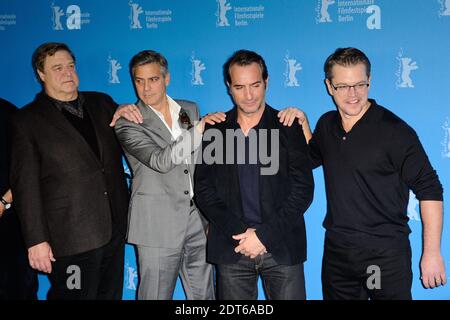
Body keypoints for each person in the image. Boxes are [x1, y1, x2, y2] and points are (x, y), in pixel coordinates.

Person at [279, 47, 446, 299]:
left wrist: (432, 253)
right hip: (338, 254)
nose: (353, 94)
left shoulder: (394, 131)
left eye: (360, 84)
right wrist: (303, 123)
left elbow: (429, 188)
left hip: (381, 256)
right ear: (329, 86)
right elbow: (311, 158)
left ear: (370, 81)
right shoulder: (326, 125)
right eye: (343, 86)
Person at [9, 42, 132, 300]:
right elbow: (25, 186)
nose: (67, 73)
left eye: (70, 66)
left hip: (114, 228)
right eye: (57, 68)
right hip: (69, 239)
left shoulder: (103, 103)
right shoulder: (27, 120)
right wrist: (35, 241)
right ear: (41, 75)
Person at [194, 50, 314, 300]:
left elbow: (303, 190)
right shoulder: (216, 129)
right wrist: (243, 235)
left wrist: (263, 236)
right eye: (239, 87)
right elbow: (204, 190)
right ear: (229, 87)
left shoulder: (287, 126)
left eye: (255, 85)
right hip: (232, 247)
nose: (248, 95)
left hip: (282, 248)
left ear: (266, 82)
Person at [115, 50, 224, 300]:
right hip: (156, 225)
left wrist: (209, 216)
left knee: (205, 296)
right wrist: (199, 130)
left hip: (197, 220)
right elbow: (160, 161)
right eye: (139, 81)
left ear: (167, 79)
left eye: (152, 79)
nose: (145, 88)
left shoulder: (189, 109)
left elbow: (199, 164)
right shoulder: (127, 122)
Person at [0, 98, 38, 300]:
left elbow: (30, 167)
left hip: (10, 223)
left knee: (17, 288)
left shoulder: (9, 114)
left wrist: (3, 202)